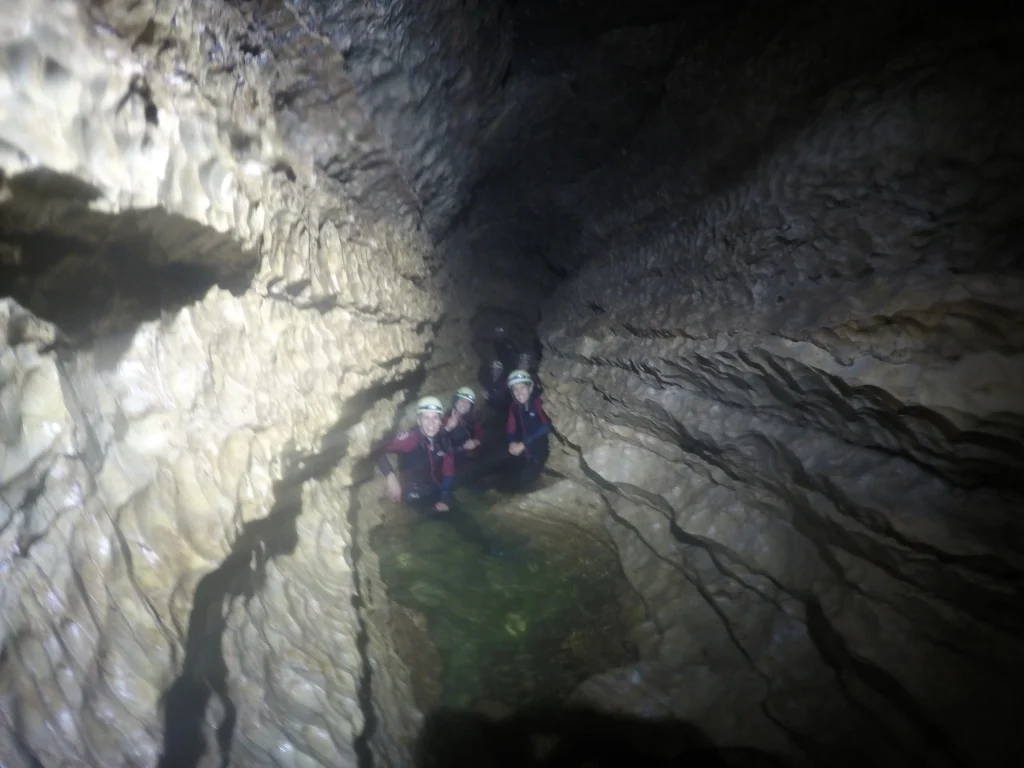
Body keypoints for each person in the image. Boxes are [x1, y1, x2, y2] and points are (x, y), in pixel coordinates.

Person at [375, 396, 454, 514]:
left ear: (440, 420)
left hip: (436, 491)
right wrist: (390, 477)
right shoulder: (410, 439)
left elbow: (448, 473)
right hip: (412, 498)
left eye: (435, 417)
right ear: (418, 420)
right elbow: (376, 448)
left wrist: (444, 498)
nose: (431, 423)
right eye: (426, 417)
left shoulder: (444, 442)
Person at [504, 369, 552, 490]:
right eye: (515, 389)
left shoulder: (539, 402)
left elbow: (548, 426)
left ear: (530, 388)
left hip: (545, 452)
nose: (519, 393)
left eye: (522, 387)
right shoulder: (514, 406)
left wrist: (524, 443)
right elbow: (511, 428)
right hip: (527, 453)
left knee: (528, 482)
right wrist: (512, 442)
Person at [445, 386, 484, 459]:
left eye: (468, 403)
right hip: (455, 461)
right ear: (455, 401)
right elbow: (441, 449)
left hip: (472, 457)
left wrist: (476, 441)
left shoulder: (470, 418)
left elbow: (480, 433)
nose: (464, 405)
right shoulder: (445, 419)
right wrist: (448, 428)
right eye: (462, 401)